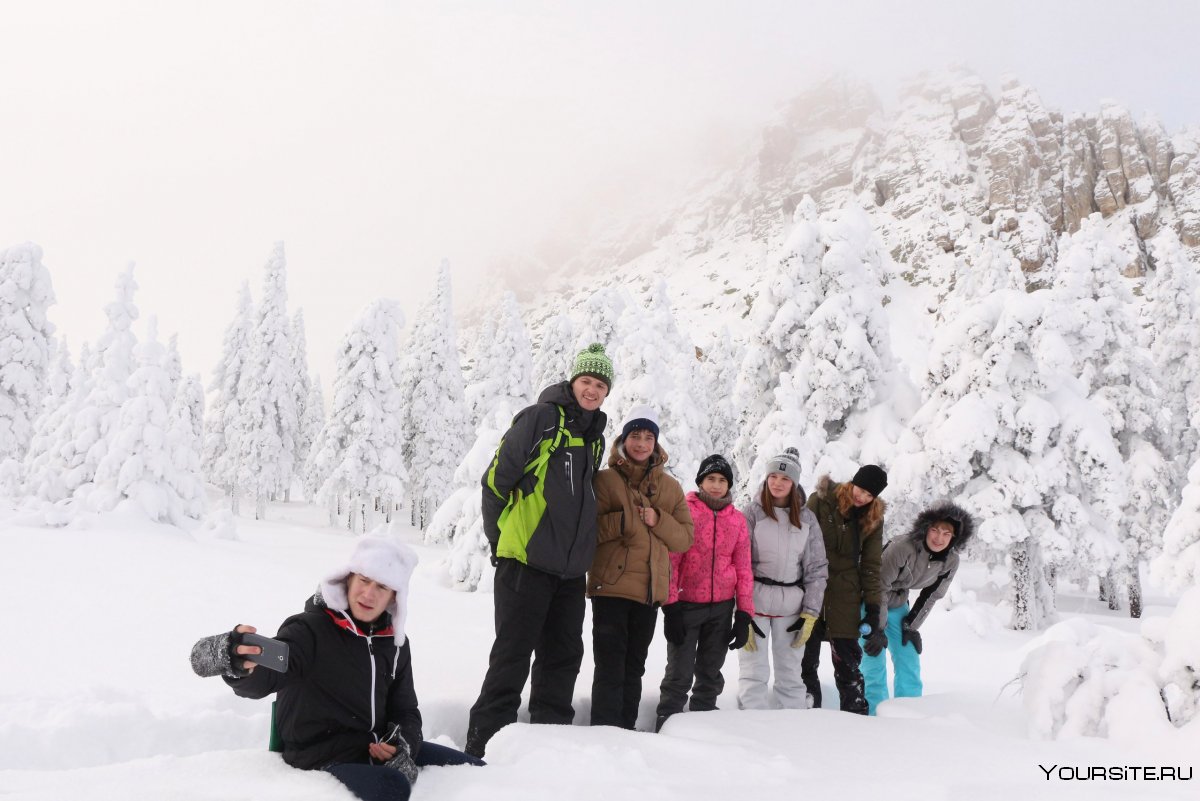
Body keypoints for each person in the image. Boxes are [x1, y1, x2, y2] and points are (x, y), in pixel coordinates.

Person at [189, 537, 482, 801]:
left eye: (382, 586)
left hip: (373, 747)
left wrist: (402, 745)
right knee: (391, 789)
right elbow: (266, 677)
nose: (369, 593)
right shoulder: (308, 630)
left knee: (475, 771)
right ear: (348, 579)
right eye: (364, 580)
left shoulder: (395, 645)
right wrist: (235, 659)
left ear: (395, 597)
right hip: (319, 754)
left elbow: (405, 709)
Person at [466, 343, 612, 757]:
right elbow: (496, 482)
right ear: (573, 381)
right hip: (525, 566)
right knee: (511, 657)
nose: (592, 389)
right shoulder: (541, 419)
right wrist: (503, 544)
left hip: (569, 575)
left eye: (600, 384)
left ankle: (548, 748)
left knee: (562, 659)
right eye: (586, 380)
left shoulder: (595, 437)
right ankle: (484, 747)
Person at [587, 404, 694, 729]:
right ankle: (604, 733)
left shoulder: (671, 487)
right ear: (624, 439)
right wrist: (623, 521)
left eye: (649, 437)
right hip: (612, 588)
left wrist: (657, 519)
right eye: (635, 435)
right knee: (609, 666)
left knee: (634, 668)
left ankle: (625, 732)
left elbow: (684, 539)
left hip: (648, 593)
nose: (641, 443)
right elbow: (588, 531)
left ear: (656, 444)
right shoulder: (604, 481)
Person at [655, 453, 755, 731]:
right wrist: (671, 606)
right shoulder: (685, 512)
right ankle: (666, 724)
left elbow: (744, 567)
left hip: (722, 610)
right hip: (686, 607)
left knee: (710, 673)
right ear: (700, 482)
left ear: (729, 485)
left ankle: (704, 728)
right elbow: (671, 561)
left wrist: (745, 613)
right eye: (710, 479)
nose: (716, 485)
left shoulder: (737, 521)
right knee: (679, 673)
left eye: (722, 480)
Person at [862, 502, 974, 714]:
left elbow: (932, 594)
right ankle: (872, 713)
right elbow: (878, 585)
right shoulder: (903, 547)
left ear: (954, 538)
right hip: (870, 602)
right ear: (926, 528)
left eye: (946, 533)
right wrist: (877, 628)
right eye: (934, 530)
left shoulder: (950, 560)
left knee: (908, 655)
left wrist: (911, 625)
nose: (938, 538)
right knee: (874, 657)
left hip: (897, 602)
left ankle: (909, 711)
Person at [737, 448, 828, 710]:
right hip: (755, 604)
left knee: (790, 673)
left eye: (785, 479)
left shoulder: (807, 518)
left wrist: (811, 613)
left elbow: (817, 568)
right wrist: (742, 609)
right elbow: (740, 563)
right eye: (773, 476)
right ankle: (751, 723)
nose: (778, 483)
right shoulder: (752, 513)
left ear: (794, 483)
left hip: (792, 608)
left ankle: (793, 728)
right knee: (753, 672)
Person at [800, 464, 888, 715]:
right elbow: (799, 541)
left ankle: (856, 720)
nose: (862, 497)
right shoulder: (821, 501)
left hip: (846, 596)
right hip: (812, 590)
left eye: (869, 495)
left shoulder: (873, 518)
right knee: (805, 663)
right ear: (852, 483)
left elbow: (872, 565)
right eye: (860, 489)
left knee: (848, 666)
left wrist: (872, 608)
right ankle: (805, 716)